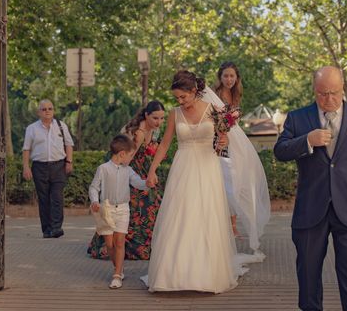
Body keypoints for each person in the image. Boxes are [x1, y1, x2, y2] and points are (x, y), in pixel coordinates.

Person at [273, 66, 347, 311]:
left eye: (334, 93)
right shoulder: (298, 117)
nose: (329, 99)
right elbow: (280, 151)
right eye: (322, 93)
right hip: (310, 208)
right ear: (314, 91)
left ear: (343, 87)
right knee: (308, 269)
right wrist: (307, 141)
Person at [142, 70, 255, 293]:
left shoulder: (214, 110)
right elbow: (164, 145)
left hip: (207, 168)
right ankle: (172, 275)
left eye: (183, 97)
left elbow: (224, 138)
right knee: (180, 216)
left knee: (205, 216)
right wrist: (152, 170)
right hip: (183, 167)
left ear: (194, 91)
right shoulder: (175, 114)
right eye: (177, 98)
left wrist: (223, 139)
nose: (180, 101)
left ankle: (206, 275)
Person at [88, 100, 166, 260]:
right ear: (146, 115)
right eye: (155, 118)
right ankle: (121, 246)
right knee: (139, 207)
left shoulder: (155, 131)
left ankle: (146, 244)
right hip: (131, 171)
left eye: (162, 118)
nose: (159, 122)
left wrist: (152, 171)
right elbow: (127, 158)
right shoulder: (140, 132)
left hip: (144, 170)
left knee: (155, 204)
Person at [211, 62, 270, 258]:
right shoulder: (215, 94)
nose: (229, 79)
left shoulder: (236, 94)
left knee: (243, 176)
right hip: (220, 139)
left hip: (236, 138)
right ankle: (227, 224)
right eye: (226, 76)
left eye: (232, 76)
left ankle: (234, 223)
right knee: (226, 179)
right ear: (220, 77)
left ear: (237, 78)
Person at [89, 134, 148, 289]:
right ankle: (119, 268)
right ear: (122, 154)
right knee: (109, 245)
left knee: (120, 242)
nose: (131, 158)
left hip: (123, 209)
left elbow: (139, 183)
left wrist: (148, 183)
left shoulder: (128, 170)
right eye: (130, 155)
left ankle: (116, 275)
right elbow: (94, 187)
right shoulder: (103, 169)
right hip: (106, 210)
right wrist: (95, 201)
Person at [22, 99, 74, 238]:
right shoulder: (31, 128)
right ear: (39, 112)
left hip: (58, 166)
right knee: (44, 199)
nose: (47, 111)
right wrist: (26, 167)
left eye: (50, 108)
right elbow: (26, 149)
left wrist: (69, 162)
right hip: (39, 167)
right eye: (44, 109)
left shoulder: (61, 126)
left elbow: (69, 144)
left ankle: (56, 228)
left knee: (57, 197)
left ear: (54, 111)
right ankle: (47, 230)